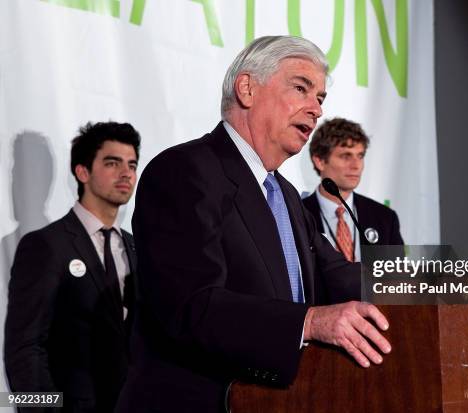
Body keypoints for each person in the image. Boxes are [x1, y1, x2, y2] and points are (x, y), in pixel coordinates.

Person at [115, 36, 391, 413]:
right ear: (247, 88)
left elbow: (339, 275)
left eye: (321, 98)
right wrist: (309, 322)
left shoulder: (287, 196)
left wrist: (453, 276)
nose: (316, 110)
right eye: (301, 88)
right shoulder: (183, 171)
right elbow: (192, 306)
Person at [4, 121, 140, 412]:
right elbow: (23, 349)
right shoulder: (44, 246)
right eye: (113, 163)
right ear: (82, 172)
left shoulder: (136, 248)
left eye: (132, 164)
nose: (126, 172)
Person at [302, 117, 404, 262]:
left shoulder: (385, 218)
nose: (356, 165)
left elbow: (396, 281)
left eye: (360, 156)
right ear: (320, 161)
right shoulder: (298, 215)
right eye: (346, 156)